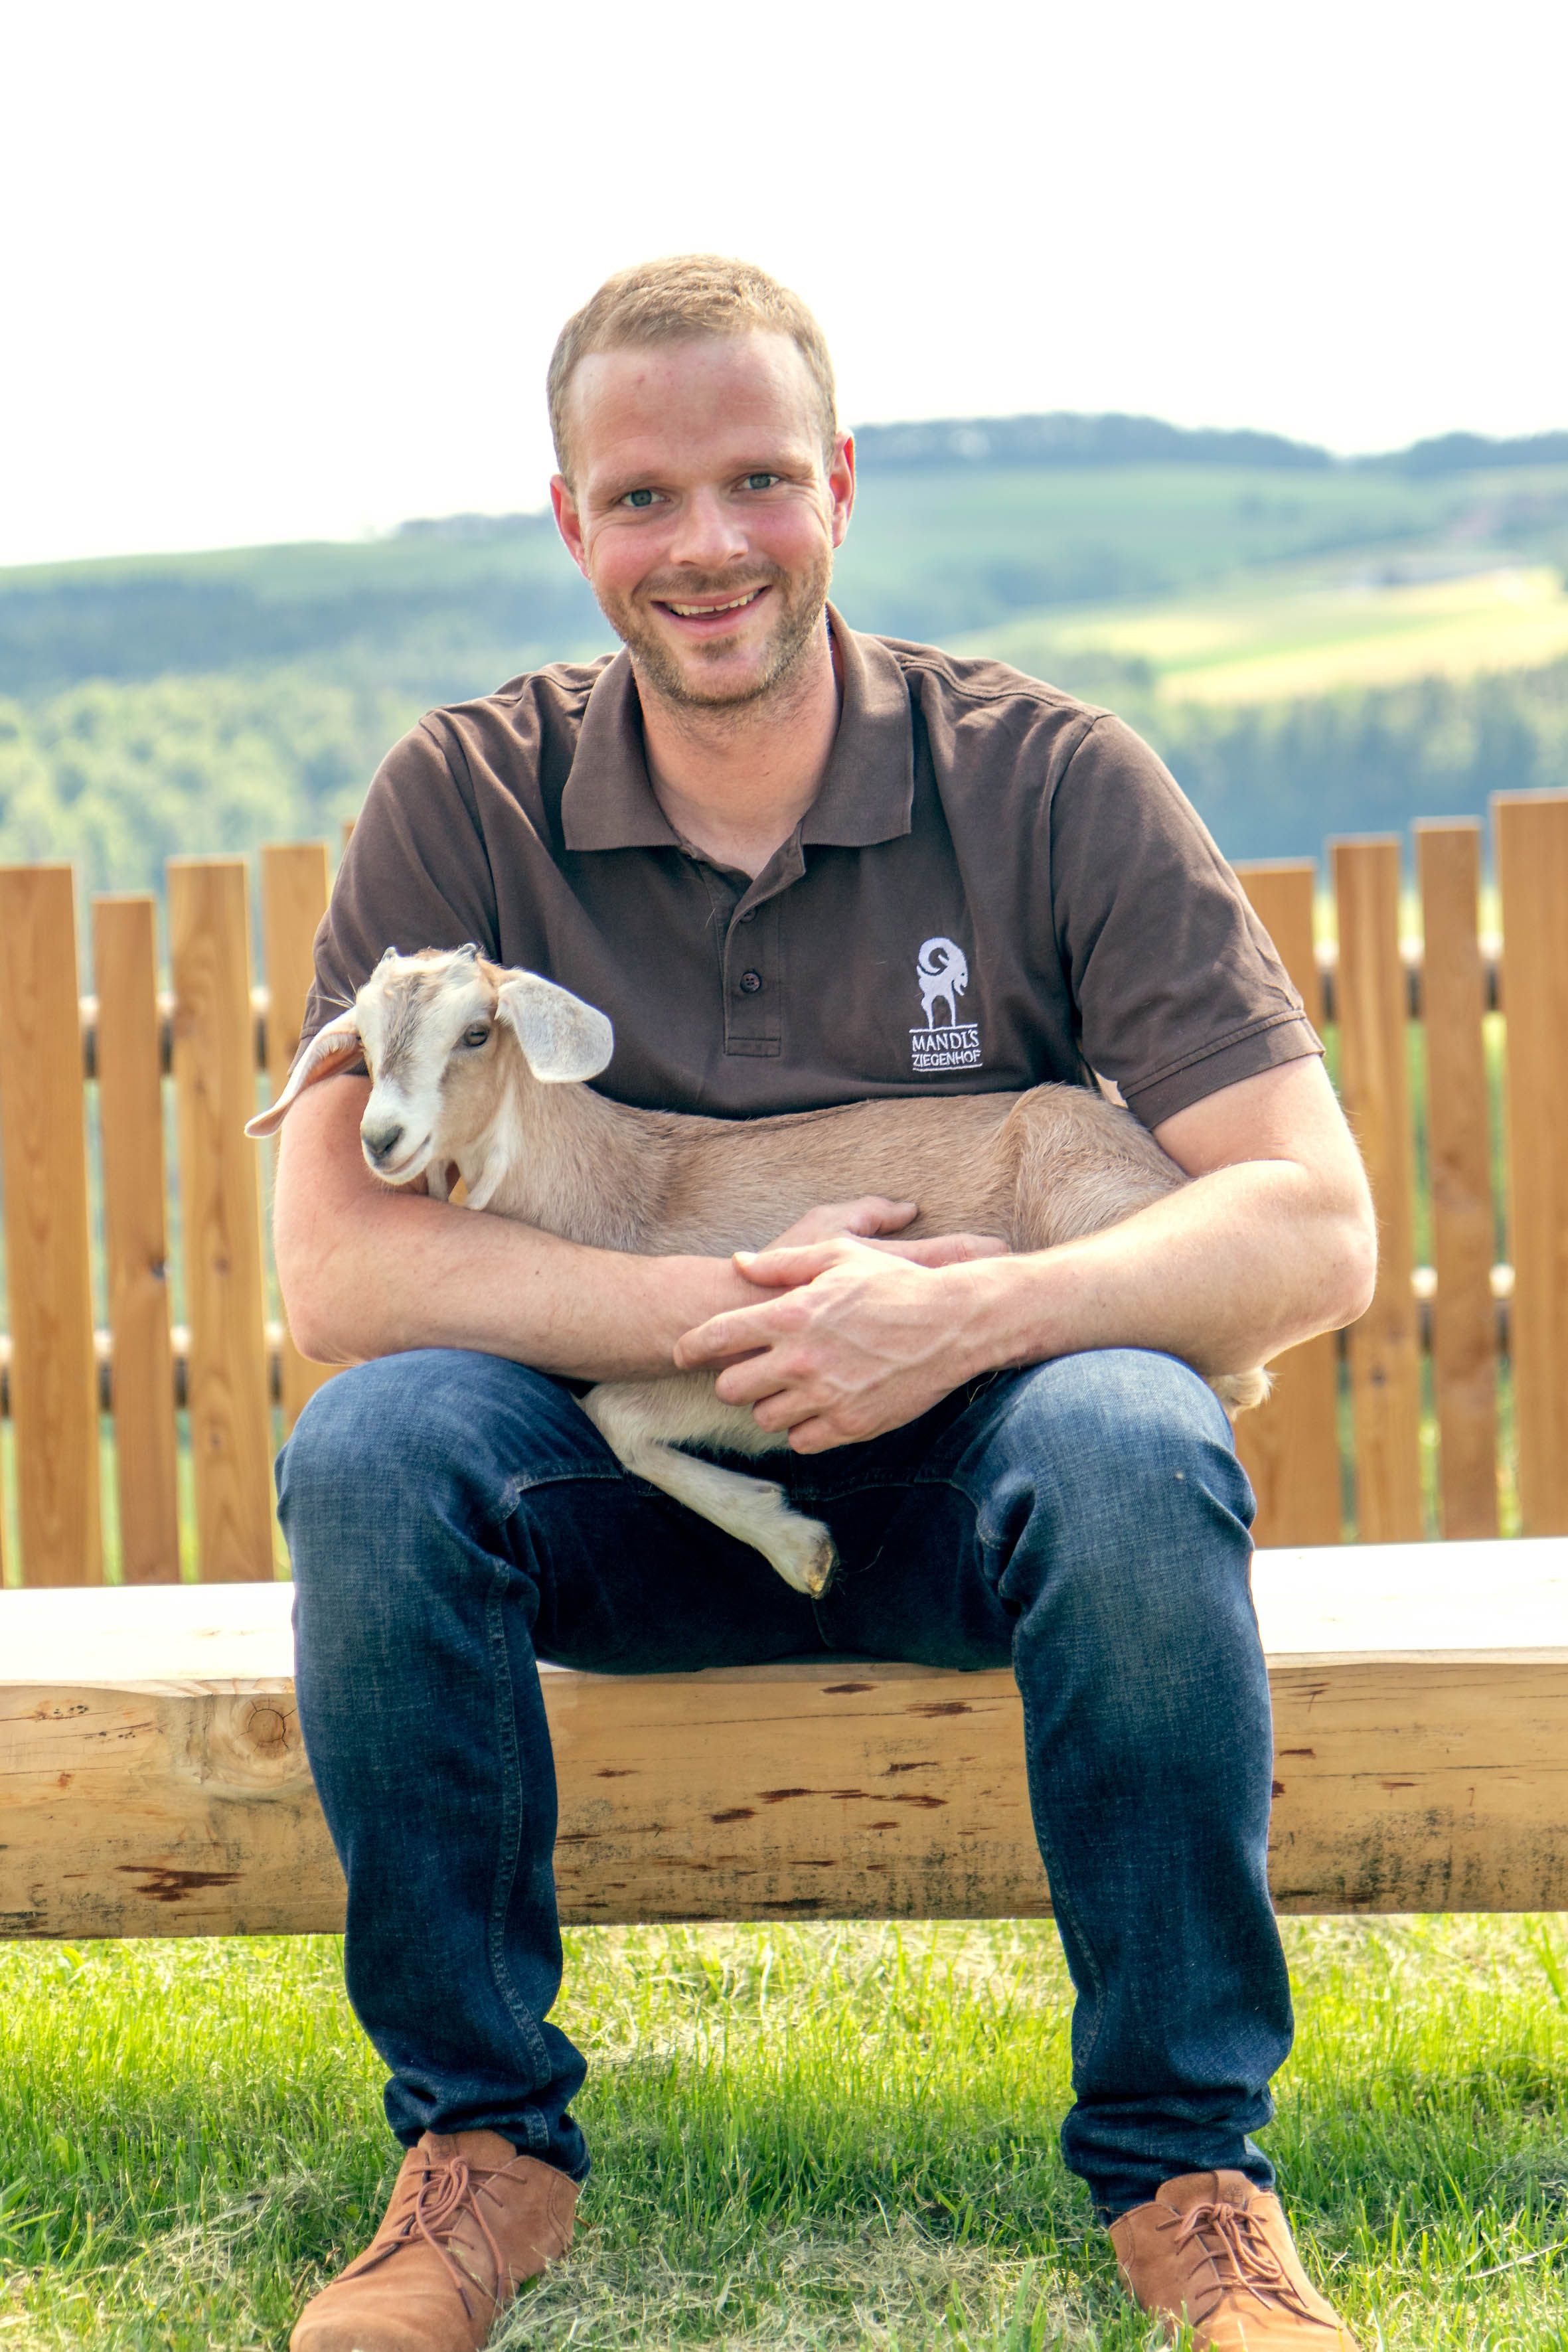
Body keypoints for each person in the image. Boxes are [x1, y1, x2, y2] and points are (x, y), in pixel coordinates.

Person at [272, 255, 1377, 2352]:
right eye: (642, 497)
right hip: (633, 1494)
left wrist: (965, 1320)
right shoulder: (467, 798)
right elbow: (341, 1271)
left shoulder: (1051, 780)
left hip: (988, 1491)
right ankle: (478, 2156)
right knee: (381, 1443)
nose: (705, 547)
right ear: (570, 518)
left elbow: (1314, 1227)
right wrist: (724, 1309)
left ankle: (1189, 2176)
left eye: (756, 480)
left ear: (841, 487)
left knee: (1138, 1431)